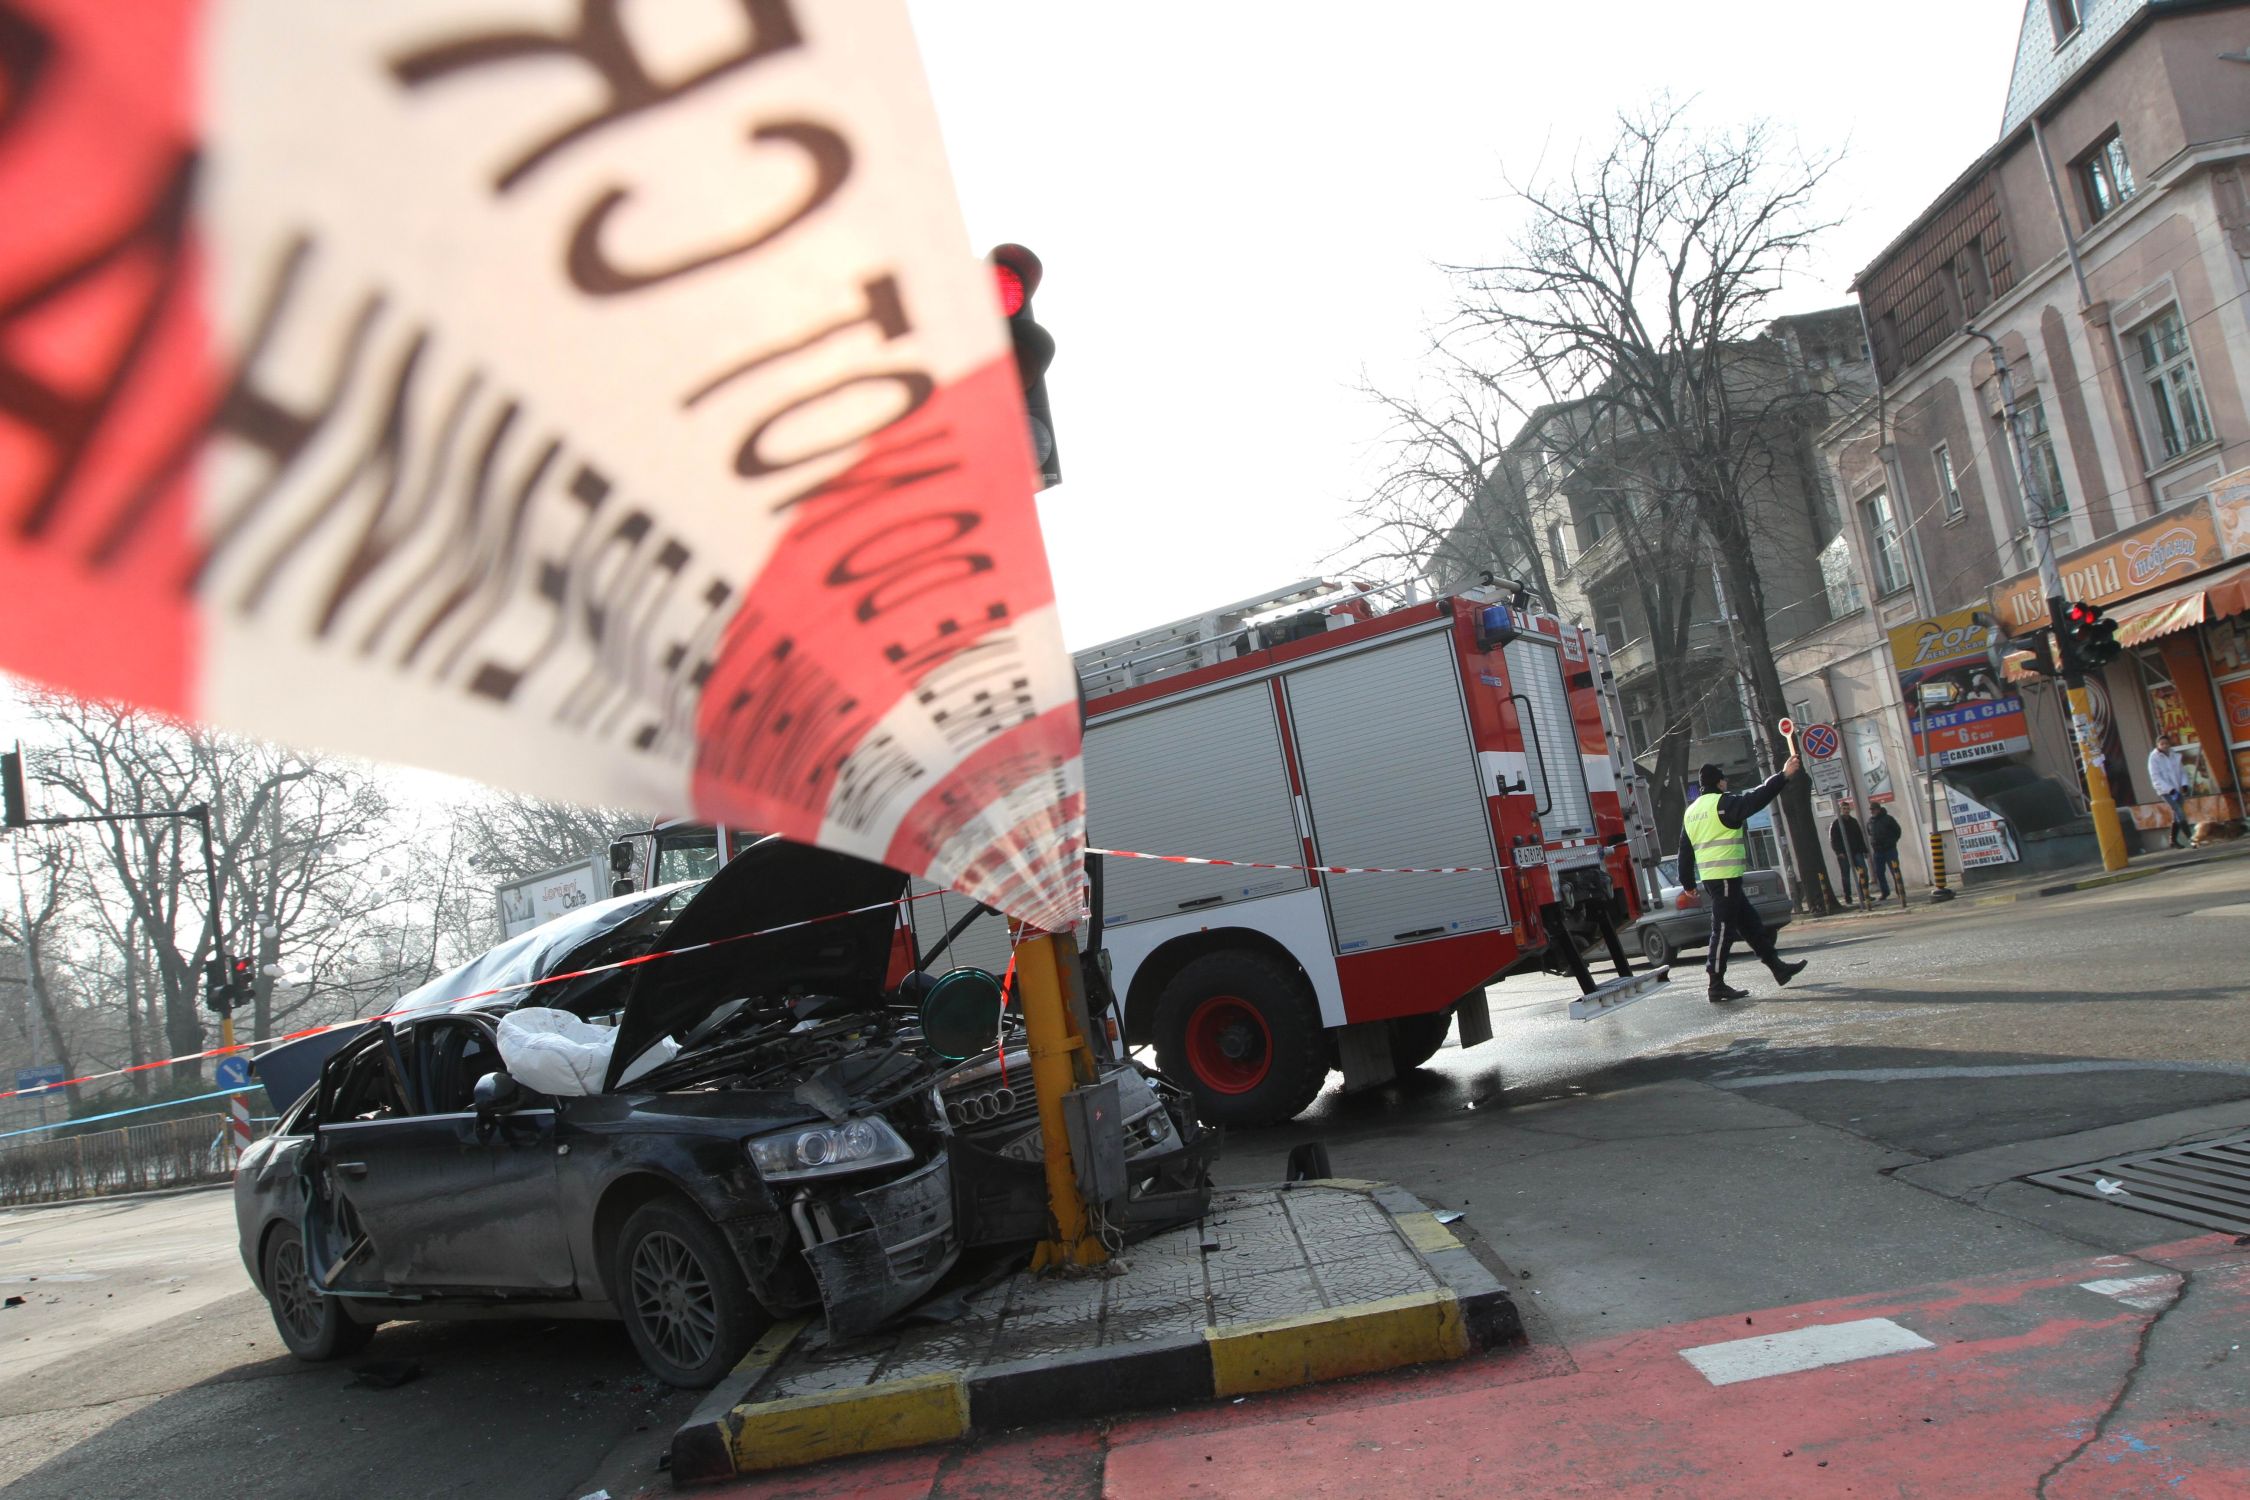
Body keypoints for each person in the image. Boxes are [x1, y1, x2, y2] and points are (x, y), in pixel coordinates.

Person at [1678, 758, 1809, 1002]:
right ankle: (1715, 984)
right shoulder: (1723, 804)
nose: (1727, 783)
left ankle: (1777, 968)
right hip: (1725, 877)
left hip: (1713, 878)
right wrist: (1783, 775)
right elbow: (1756, 798)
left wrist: (1687, 883)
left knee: (1750, 924)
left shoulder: (1692, 811)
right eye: (1724, 779)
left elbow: (1684, 851)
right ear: (1719, 782)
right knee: (1723, 929)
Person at [2148, 733, 2191, 848]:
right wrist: (2170, 790)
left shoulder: (2174, 755)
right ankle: (2192, 839)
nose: (2165, 746)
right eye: (2162, 744)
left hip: (2177, 789)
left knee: (2177, 814)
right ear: (2157, 745)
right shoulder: (2153, 758)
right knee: (2179, 812)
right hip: (2165, 791)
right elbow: (2155, 777)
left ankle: (2172, 840)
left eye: (2166, 743)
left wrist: (2184, 784)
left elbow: (2182, 771)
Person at [1828, 799, 1869, 905]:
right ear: (1841, 810)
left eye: (1847, 809)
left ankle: (1863, 893)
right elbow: (1833, 840)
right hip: (1843, 853)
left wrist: (1864, 850)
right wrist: (1838, 852)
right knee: (1846, 875)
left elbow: (1860, 837)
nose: (1846, 811)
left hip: (1856, 851)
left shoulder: (1853, 822)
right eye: (1844, 809)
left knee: (1863, 871)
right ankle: (1848, 897)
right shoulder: (1836, 823)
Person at [1868, 804, 1905, 903]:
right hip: (1878, 851)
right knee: (1879, 873)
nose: (1872, 811)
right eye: (1871, 810)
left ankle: (1900, 891)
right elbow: (1870, 833)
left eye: (1874, 810)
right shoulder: (1870, 821)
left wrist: (1893, 841)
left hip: (1890, 850)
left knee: (1895, 871)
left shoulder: (1888, 819)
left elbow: (1898, 831)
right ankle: (1885, 892)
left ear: (1879, 810)